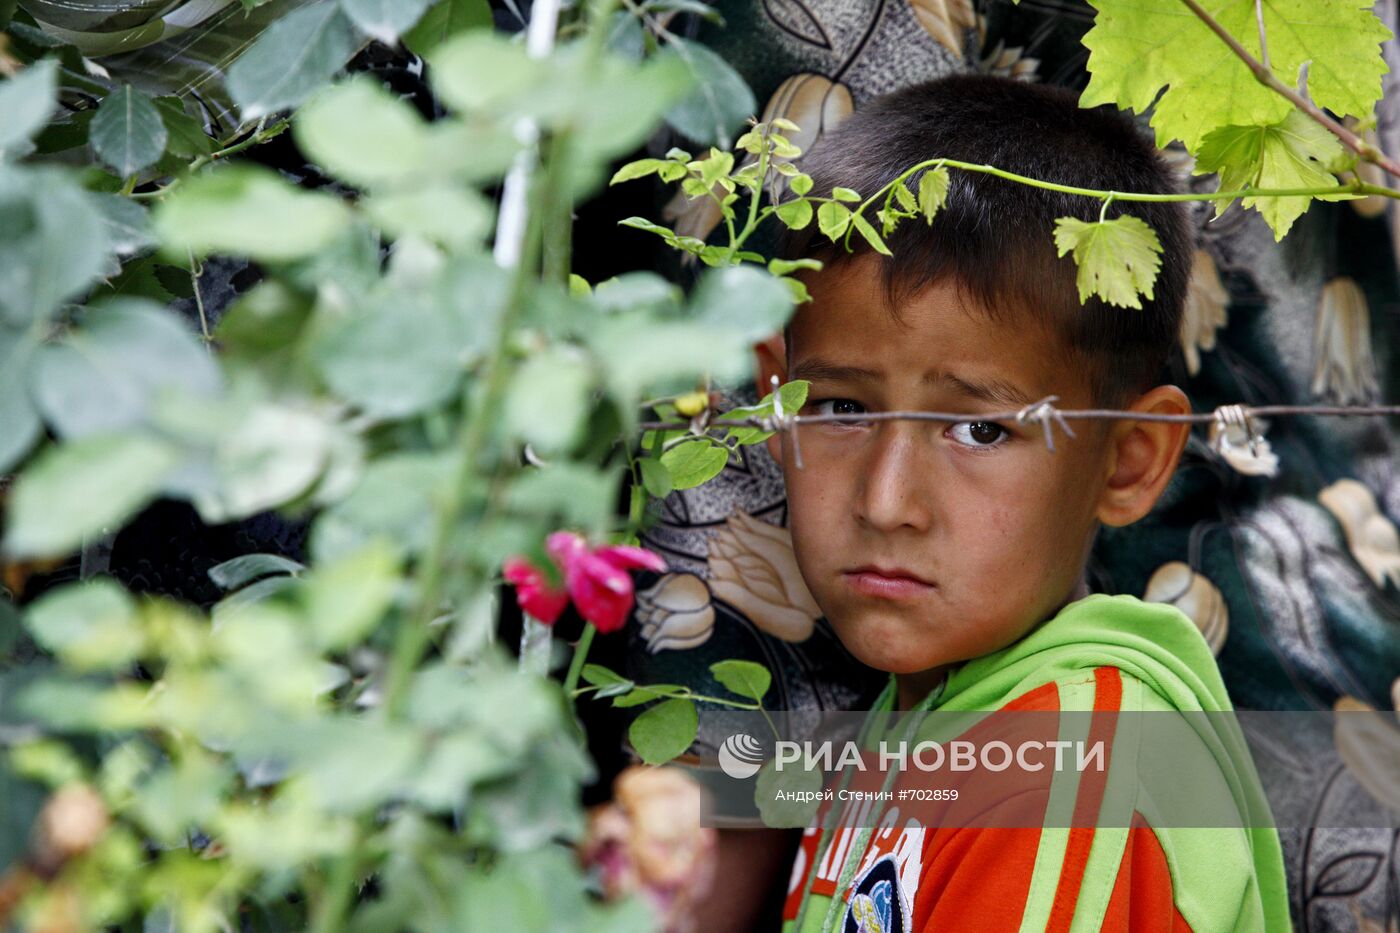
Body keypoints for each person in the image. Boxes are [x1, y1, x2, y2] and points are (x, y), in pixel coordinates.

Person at [738, 74, 1291, 931]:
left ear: (1126, 462)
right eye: (841, 409)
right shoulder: (925, 724)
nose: (887, 504)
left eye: (981, 432)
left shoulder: (1058, 776)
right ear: (775, 396)